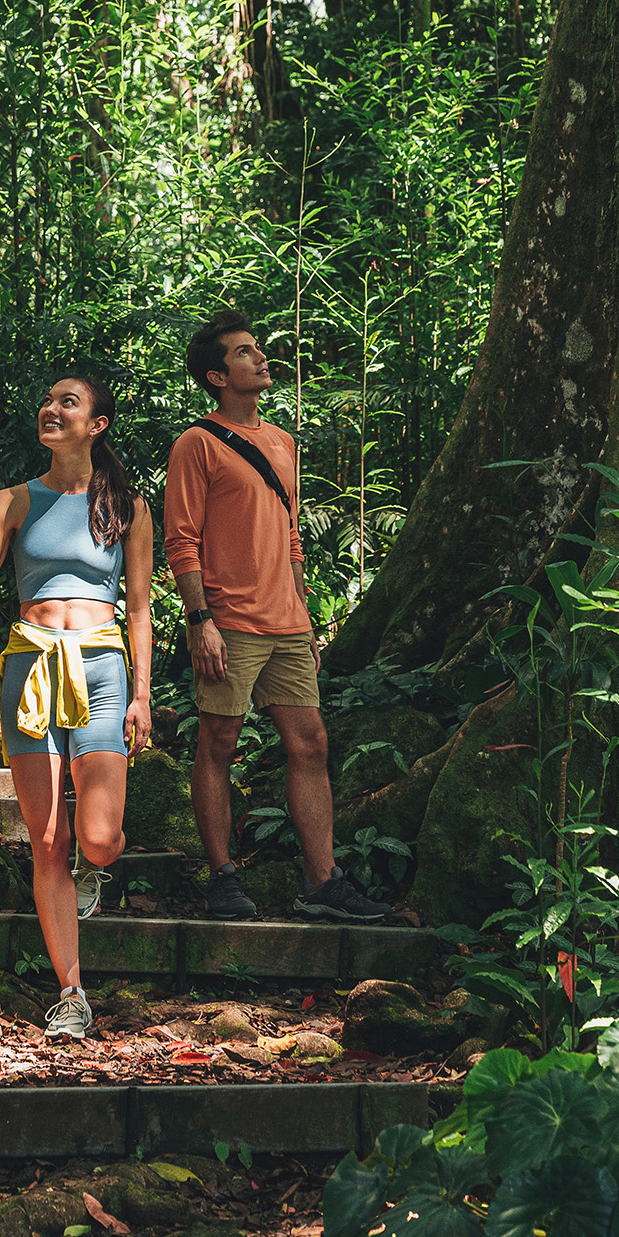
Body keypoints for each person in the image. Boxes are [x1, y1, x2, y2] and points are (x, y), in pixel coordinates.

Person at [0, 373, 153, 1040]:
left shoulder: (129, 508)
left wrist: (141, 695)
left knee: (99, 840)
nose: (50, 408)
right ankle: (73, 992)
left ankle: (97, 868)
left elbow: (138, 607)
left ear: (98, 424)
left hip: (102, 665)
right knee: (46, 838)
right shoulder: (14, 500)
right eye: (46, 400)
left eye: (67, 402)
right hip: (29, 665)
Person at [163, 310, 391, 924]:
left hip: (286, 622)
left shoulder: (283, 443)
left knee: (310, 743)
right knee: (220, 741)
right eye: (244, 353)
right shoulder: (197, 443)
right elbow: (181, 540)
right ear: (217, 375)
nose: (260, 359)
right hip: (227, 620)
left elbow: (290, 538)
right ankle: (223, 877)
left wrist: (306, 616)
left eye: (257, 350)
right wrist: (199, 619)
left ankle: (322, 882)